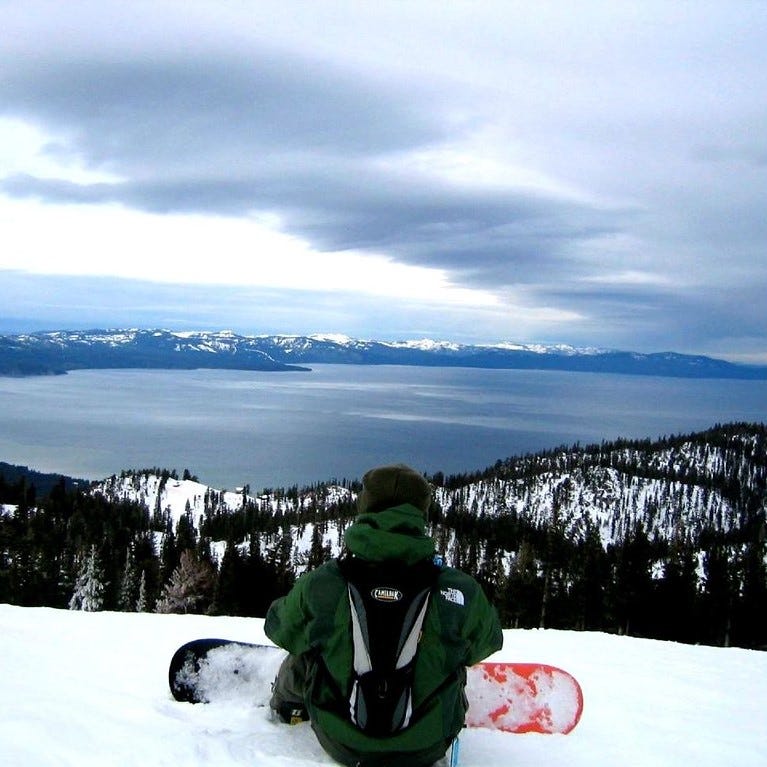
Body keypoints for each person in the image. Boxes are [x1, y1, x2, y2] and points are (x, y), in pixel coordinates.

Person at [264, 463, 503, 767]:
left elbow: (282, 629)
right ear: (421, 512)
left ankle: (286, 706)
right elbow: (487, 641)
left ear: (365, 507)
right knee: (454, 653)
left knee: (309, 647)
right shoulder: (459, 590)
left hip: (340, 742)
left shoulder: (324, 583)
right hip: (426, 747)